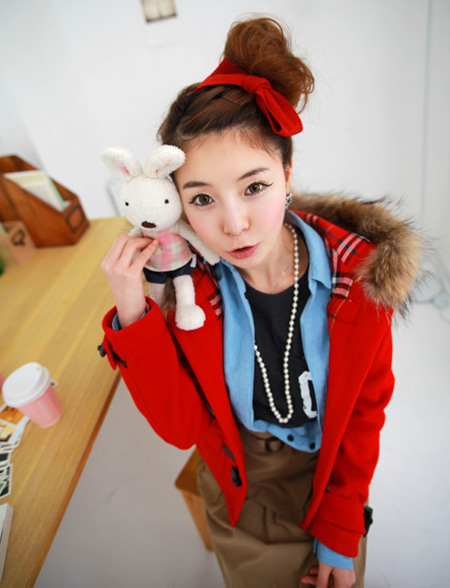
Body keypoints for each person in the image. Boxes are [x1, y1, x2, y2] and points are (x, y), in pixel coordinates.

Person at [100, 16, 420, 588]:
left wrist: (341, 532)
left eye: (254, 186)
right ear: (176, 203)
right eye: (202, 198)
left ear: (287, 175)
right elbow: (181, 428)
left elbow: (363, 414)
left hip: (328, 474)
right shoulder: (189, 291)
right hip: (237, 474)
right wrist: (132, 310)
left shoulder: (360, 279)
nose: (234, 223)